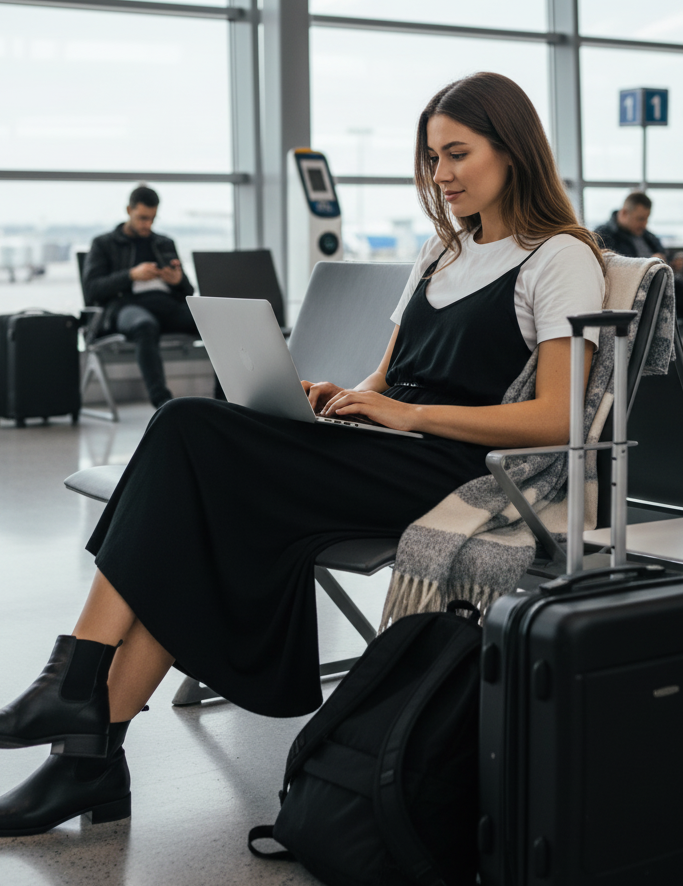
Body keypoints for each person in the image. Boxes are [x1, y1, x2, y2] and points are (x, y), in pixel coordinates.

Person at [0, 72, 606, 836]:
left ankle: (77, 691)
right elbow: (385, 375)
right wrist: (337, 396)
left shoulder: (558, 258)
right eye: (429, 158)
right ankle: (90, 752)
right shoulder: (438, 253)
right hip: (380, 447)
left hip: (450, 469)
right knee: (198, 507)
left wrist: (405, 413)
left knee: (188, 424)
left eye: (457, 153)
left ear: (512, 150)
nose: (440, 175)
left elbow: (557, 417)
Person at [82, 186, 197, 408]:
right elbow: (92, 289)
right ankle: (163, 402)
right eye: (142, 218)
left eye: (152, 219)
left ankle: (223, 400)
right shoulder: (104, 244)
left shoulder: (164, 242)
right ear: (129, 210)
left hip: (166, 304)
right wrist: (131, 275)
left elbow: (188, 291)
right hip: (126, 306)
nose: (147, 225)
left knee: (211, 323)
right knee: (144, 325)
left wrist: (176, 281)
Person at [594, 191, 665, 259]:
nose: (644, 224)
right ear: (624, 213)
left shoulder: (645, 235)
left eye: (646, 219)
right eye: (640, 219)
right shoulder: (602, 237)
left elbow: (662, 253)